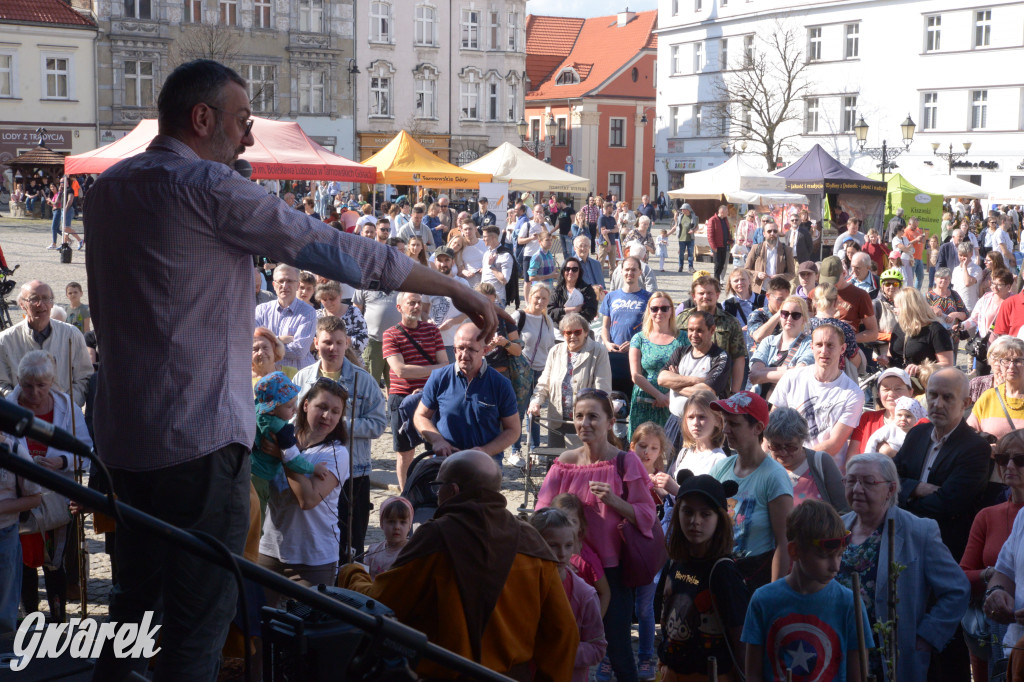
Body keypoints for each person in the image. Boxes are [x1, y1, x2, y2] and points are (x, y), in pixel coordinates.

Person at [340, 449, 579, 680]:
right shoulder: (530, 539)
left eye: (438, 486)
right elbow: (563, 632)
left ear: (452, 490)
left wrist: (352, 572)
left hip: (447, 674)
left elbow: (383, 601)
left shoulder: (437, 537)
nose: (436, 495)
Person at [535, 389, 657, 682]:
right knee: (564, 640)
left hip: (613, 573)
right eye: (579, 416)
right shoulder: (565, 461)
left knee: (618, 649)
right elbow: (541, 512)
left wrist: (615, 502)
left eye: (593, 416)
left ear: (610, 421)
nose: (584, 423)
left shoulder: (625, 462)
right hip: (567, 568)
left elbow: (648, 515)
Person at [839, 453, 971, 682]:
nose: (857, 489)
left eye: (868, 482)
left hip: (890, 658)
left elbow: (957, 589)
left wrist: (926, 638)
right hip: (840, 650)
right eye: (850, 481)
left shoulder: (918, 531)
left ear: (890, 489)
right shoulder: (837, 527)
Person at [743, 499, 872, 682]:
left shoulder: (850, 604)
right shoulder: (763, 600)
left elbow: (858, 676)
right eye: (824, 556)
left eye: (840, 555)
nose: (835, 566)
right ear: (795, 551)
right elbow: (753, 674)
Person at [292, 317, 386, 560]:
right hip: (312, 470)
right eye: (326, 342)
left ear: (347, 344)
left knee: (350, 544)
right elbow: (291, 421)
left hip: (353, 473)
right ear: (315, 343)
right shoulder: (302, 379)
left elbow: (377, 424)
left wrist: (338, 424)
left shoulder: (363, 380)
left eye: (338, 343)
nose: (332, 348)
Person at [11, 350, 90, 625]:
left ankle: (58, 621)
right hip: (19, 501)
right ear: (19, 381)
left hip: (57, 499)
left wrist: (62, 460)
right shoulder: (8, 409)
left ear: (51, 382)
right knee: (23, 563)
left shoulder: (66, 406)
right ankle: (29, 620)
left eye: (41, 386)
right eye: (28, 385)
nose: (34, 392)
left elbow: (86, 450)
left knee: (54, 563)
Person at [257, 377, 346, 606]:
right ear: (305, 405)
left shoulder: (336, 454)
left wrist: (283, 455)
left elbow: (307, 500)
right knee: (257, 624)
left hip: (312, 558)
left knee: (304, 633)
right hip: (269, 549)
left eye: (336, 411)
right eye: (322, 407)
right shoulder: (281, 432)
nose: (328, 416)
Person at [894, 368, 991, 563]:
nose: (938, 404)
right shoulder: (917, 434)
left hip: (943, 549)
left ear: (965, 403)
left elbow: (949, 504)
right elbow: (888, 480)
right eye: (933, 395)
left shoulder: (976, 448)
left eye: (947, 398)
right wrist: (917, 488)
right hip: (902, 540)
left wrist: (904, 498)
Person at [659, 471, 748, 682]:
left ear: (719, 518)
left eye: (705, 514)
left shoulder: (723, 572)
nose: (695, 521)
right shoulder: (674, 562)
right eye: (687, 512)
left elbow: (740, 637)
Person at [710, 391, 793, 589]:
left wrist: (773, 595)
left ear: (757, 428)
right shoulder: (721, 468)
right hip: (719, 574)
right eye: (725, 422)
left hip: (754, 580)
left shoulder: (774, 476)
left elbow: (785, 542)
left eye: (734, 424)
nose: (726, 430)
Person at [960, 431, 1024, 681]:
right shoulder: (997, 516)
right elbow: (998, 572)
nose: (1009, 465)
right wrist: (995, 591)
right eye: (1002, 458)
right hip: (1005, 640)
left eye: (1020, 459)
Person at [415, 322, 521, 465]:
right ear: (454, 349)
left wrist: (485, 451)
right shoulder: (439, 378)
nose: (464, 355)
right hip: (446, 462)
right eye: (460, 348)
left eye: (471, 349)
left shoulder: (500, 384)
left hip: (484, 465)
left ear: (485, 351)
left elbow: (513, 430)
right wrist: (437, 441)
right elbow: (420, 416)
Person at [769, 323, 865, 469]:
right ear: (811, 347)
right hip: (784, 465)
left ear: (843, 349)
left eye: (830, 345)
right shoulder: (791, 377)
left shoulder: (853, 393)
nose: (824, 351)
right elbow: (772, 426)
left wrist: (793, 460)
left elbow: (834, 444)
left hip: (824, 470)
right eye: (819, 345)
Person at [529, 507, 608, 682]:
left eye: (568, 545)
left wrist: (560, 651)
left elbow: (598, 647)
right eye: (553, 545)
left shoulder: (584, 594)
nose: (562, 554)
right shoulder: (522, 585)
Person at [383, 292, 447, 488]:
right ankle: (405, 495)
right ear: (400, 307)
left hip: (430, 397)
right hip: (401, 398)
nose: (416, 306)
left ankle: (435, 491)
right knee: (404, 452)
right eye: (411, 303)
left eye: (419, 303)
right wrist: (432, 372)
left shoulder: (432, 331)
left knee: (436, 449)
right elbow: (400, 370)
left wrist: (424, 385)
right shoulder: (390, 334)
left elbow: (445, 365)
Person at [250, 371, 328, 521]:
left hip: (248, 469)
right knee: (256, 522)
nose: (295, 409)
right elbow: (292, 459)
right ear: (272, 408)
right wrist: (314, 468)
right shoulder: (282, 431)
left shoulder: (258, 408)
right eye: (289, 406)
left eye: (295, 403)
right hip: (261, 478)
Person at [0, 280, 92, 405]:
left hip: (64, 416)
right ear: (22, 304)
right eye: (33, 299)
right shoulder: (5, 340)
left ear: (52, 303)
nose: (40, 304)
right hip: (23, 416)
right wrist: (20, 406)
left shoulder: (72, 335)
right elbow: (2, 383)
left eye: (45, 298)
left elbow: (84, 377)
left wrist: (67, 405)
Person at [528, 313, 613, 448]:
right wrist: (536, 401)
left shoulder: (598, 351)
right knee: (556, 463)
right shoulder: (555, 351)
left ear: (585, 332)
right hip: (557, 419)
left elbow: (602, 389)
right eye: (568, 333)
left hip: (586, 422)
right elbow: (544, 382)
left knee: (583, 464)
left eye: (577, 332)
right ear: (563, 334)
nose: (572, 336)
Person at [764, 407, 848, 511]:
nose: (783, 452)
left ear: (802, 441)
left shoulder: (820, 462)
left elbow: (844, 509)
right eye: (776, 446)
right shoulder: (763, 465)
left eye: (790, 447)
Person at [629, 292, 687, 437]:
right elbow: (636, 375)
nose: (659, 312)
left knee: (670, 449)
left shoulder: (684, 338)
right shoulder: (639, 338)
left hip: (673, 402)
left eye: (664, 308)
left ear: (671, 310)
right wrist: (658, 396)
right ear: (649, 311)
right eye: (654, 309)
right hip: (644, 401)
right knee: (641, 450)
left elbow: (689, 372)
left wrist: (668, 396)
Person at [676, 275, 748, 394]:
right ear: (694, 296)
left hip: (718, 391)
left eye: (710, 293)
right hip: (684, 388)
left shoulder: (730, 322)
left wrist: (735, 392)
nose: (706, 297)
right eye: (701, 293)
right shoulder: (682, 319)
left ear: (717, 295)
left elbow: (738, 358)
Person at [0, 427, 40, 633]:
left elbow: (35, 497)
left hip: (5, 533)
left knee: (5, 607)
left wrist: (4, 507)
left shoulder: (15, 451)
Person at [600, 257, 652, 395]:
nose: (630, 273)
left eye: (634, 269)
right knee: (612, 396)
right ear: (621, 271)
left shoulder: (648, 298)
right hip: (613, 354)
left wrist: (636, 344)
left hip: (637, 355)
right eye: (627, 269)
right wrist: (607, 343)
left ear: (640, 272)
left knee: (632, 393)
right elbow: (605, 326)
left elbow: (652, 329)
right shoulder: (610, 297)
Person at [658, 310, 731, 408]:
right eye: (690, 330)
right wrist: (695, 380)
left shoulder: (720, 357)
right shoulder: (681, 352)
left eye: (699, 330)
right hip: (675, 420)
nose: (694, 335)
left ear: (712, 330)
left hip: (703, 421)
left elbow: (707, 391)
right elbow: (662, 379)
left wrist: (674, 384)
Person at [255, 264, 319, 370]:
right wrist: (279, 339)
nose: (284, 286)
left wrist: (267, 343)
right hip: (268, 376)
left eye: (289, 281)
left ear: (297, 286)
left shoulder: (308, 312)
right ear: (274, 285)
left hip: (297, 378)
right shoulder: (261, 310)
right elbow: (254, 343)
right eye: (281, 281)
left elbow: (300, 351)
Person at [749, 295, 813, 400]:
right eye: (785, 314)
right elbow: (753, 374)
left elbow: (799, 375)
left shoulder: (809, 344)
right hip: (759, 403)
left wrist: (763, 374)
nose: (789, 318)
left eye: (795, 315)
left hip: (787, 405)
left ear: (804, 319)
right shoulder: (768, 341)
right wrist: (788, 370)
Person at [886, 287, 955, 374]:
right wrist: (886, 360)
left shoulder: (936, 330)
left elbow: (947, 364)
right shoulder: (899, 326)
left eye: (897, 307)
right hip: (899, 382)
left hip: (925, 384)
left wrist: (920, 368)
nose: (895, 311)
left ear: (909, 308)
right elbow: (890, 354)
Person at [968, 336, 1024, 438]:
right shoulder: (988, 397)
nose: (1011, 366)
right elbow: (968, 434)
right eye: (1006, 360)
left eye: (1018, 361)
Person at [314, 280, 370, 357]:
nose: (328, 302)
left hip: (351, 361)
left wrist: (341, 340)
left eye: (332, 298)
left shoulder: (353, 312)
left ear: (340, 295)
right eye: (324, 299)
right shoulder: (316, 315)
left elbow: (364, 340)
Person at [362, 496, 413, 578]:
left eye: (402, 522)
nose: (397, 527)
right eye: (391, 522)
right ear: (382, 524)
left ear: (409, 526)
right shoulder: (372, 551)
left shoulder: (411, 553)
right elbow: (364, 578)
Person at [747, 275, 796, 350]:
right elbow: (758, 337)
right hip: (760, 360)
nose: (784, 303)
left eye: (786, 299)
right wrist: (779, 314)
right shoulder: (757, 314)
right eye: (780, 299)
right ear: (768, 296)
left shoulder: (789, 316)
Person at [549, 256, 599, 326]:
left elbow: (591, 312)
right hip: (559, 328)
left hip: (580, 328)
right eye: (567, 269)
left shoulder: (587, 289)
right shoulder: (557, 290)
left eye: (574, 269)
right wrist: (573, 309)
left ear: (579, 272)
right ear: (563, 271)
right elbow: (550, 312)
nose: (570, 272)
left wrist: (573, 321)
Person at [744, 219, 796, 284]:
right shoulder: (756, 248)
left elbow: (792, 273)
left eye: (775, 231)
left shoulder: (787, 250)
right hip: (759, 290)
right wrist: (757, 274)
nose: (772, 233)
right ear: (764, 234)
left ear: (778, 233)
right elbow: (746, 270)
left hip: (777, 289)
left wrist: (780, 277)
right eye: (769, 231)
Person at [479, 225, 513, 308]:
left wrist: (492, 266)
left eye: (485, 237)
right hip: (483, 298)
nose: (483, 239)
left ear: (493, 237)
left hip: (497, 300)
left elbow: (504, 280)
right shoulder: (487, 253)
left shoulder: (505, 255)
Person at [953, 241, 983, 313]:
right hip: (957, 307)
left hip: (970, 307)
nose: (962, 258)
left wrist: (965, 267)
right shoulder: (956, 269)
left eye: (965, 255)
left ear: (971, 254)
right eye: (960, 255)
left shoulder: (977, 269)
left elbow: (967, 283)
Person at [706, 205, 731, 283]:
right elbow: (710, 235)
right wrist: (713, 247)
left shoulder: (725, 220)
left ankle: (718, 281)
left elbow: (727, 231)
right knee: (717, 265)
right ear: (722, 212)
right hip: (717, 246)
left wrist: (730, 240)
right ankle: (716, 282)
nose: (728, 213)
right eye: (727, 211)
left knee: (722, 265)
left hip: (724, 245)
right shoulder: (713, 220)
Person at [670, 203, 697, 273]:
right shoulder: (680, 217)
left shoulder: (694, 217)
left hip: (690, 238)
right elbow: (676, 225)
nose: (683, 211)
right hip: (681, 238)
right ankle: (680, 266)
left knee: (690, 254)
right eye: (682, 210)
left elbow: (697, 227)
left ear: (688, 210)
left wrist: (693, 230)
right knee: (681, 254)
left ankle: (690, 267)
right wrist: (668, 233)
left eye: (684, 209)